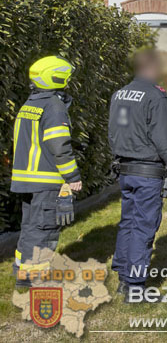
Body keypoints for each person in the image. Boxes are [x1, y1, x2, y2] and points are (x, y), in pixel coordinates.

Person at [108, 50, 167, 301]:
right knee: (143, 226)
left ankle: (123, 275)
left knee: (128, 223)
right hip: (147, 173)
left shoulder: (119, 94)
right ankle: (134, 286)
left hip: (125, 170)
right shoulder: (155, 96)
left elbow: (116, 131)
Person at [11, 56, 82, 287]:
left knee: (30, 227)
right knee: (44, 229)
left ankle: (22, 272)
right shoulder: (53, 105)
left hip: (25, 180)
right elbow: (59, 145)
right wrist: (73, 177)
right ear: (58, 77)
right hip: (46, 181)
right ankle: (35, 277)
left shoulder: (30, 103)